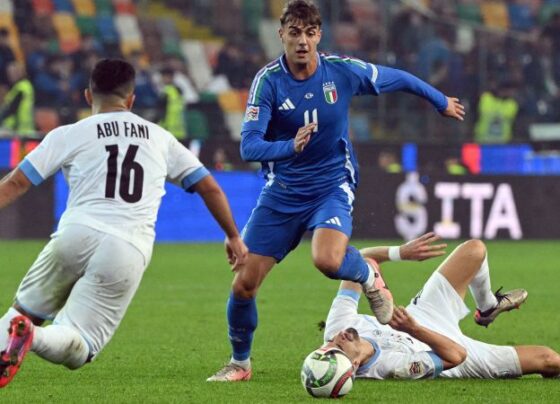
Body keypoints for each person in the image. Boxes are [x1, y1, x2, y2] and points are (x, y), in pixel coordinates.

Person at [208, 0, 465, 382]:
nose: (302, 41)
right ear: (281, 35)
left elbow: (398, 78)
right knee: (244, 284)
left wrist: (440, 100)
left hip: (331, 184)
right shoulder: (268, 82)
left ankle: (365, 273)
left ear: (319, 36)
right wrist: (289, 147)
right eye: (294, 33)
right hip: (282, 192)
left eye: (309, 33)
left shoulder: (341, 72)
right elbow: (249, 146)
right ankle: (240, 364)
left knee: (327, 260)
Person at [0, 59, 248, 388]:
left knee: (22, 310)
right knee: (79, 345)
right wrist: (232, 235)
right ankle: (33, 337)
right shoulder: (161, 138)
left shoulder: (70, 133)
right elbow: (209, 187)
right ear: (130, 100)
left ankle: (22, 329)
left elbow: (16, 183)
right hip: (128, 246)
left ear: (88, 95)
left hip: (75, 232)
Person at [318, 234, 560, 379]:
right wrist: (413, 330)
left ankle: (487, 307)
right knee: (549, 359)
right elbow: (457, 355)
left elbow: (360, 260)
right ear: (355, 365)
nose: (336, 337)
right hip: (452, 349)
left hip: (425, 313)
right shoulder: (392, 367)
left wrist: (399, 252)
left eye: (328, 344)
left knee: (474, 250)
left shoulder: (337, 325)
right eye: (339, 345)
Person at [0, 62, 35, 136]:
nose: (11, 75)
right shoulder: (23, 85)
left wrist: (2, 117)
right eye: (10, 73)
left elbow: (11, 108)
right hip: (24, 128)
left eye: (14, 72)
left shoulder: (21, 87)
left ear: (20, 72)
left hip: (17, 128)